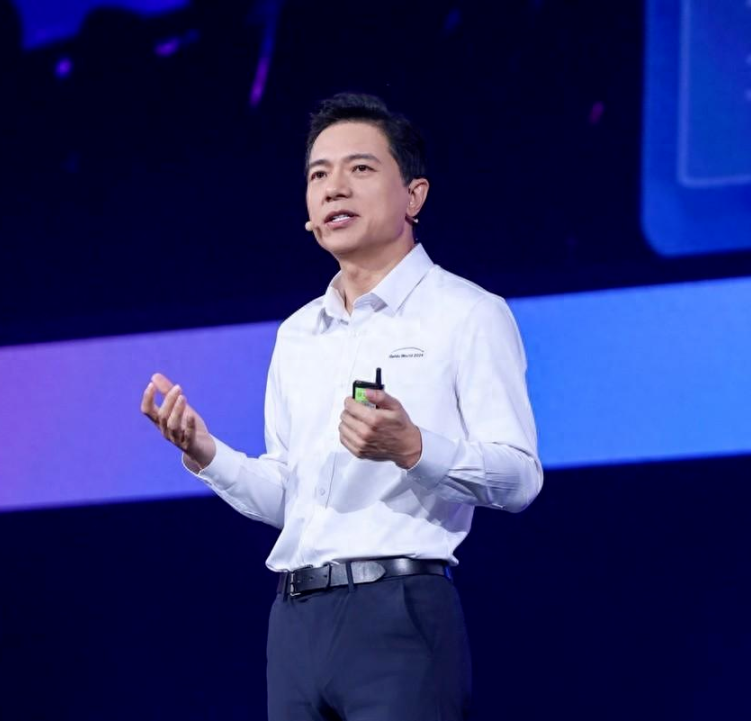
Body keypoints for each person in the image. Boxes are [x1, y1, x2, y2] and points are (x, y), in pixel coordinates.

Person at [141, 92, 542, 721]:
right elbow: (289, 498)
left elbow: (519, 478)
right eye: (318, 175)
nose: (334, 188)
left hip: (399, 615)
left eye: (360, 168)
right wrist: (206, 453)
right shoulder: (297, 335)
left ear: (414, 196)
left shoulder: (468, 314)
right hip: (294, 622)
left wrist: (413, 448)